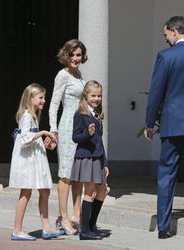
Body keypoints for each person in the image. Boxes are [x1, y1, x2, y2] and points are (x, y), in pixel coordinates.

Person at [144, 16, 184, 239]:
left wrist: (149, 123)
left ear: (174, 31)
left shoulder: (166, 56)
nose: (166, 39)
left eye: (166, 34)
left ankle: (163, 227)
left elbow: (156, 92)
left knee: (167, 173)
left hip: (173, 122)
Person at [9, 83, 64, 241]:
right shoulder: (26, 115)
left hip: (35, 156)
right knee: (25, 192)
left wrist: (44, 140)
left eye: (44, 97)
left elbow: (32, 138)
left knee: (45, 190)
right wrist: (44, 132)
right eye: (41, 97)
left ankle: (46, 228)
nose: (43, 100)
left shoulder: (33, 116)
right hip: (27, 159)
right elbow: (25, 139)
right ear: (31, 98)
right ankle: (17, 229)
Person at [45, 39, 88, 235]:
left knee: (78, 172)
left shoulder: (79, 75)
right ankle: (63, 217)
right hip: (67, 127)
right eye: (72, 55)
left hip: (80, 126)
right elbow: (54, 104)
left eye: (78, 55)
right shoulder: (62, 75)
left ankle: (76, 214)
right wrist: (53, 130)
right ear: (66, 55)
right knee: (65, 174)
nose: (75, 58)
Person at [70, 80, 109, 240]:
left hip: (98, 158)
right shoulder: (81, 114)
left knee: (102, 191)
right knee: (90, 192)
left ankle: (92, 226)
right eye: (93, 95)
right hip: (87, 157)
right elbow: (76, 137)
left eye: (99, 95)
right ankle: (84, 230)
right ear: (85, 96)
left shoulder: (97, 115)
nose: (96, 98)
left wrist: (105, 163)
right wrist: (87, 133)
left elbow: (100, 141)